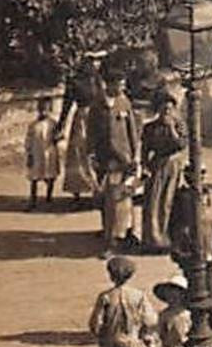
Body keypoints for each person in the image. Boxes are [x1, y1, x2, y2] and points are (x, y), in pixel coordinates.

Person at [90, 75, 140, 250]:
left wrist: (134, 154)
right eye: (118, 84)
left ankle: (127, 232)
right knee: (109, 199)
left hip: (125, 158)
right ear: (108, 84)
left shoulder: (124, 102)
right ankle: (109, 238)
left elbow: (131, 130)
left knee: (126, 195)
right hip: (106, 159)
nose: (121, 88)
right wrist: (91, 155)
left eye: (123, 84)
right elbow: (91, 132)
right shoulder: (98, 104)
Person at [56, 54, 104, 210]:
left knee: (95, 153)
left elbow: (104, 99)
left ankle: (98, 192)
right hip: (82, 118)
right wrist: (61, 125)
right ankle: (77, 192)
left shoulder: (97, 80)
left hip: (95, 118)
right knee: (78, 154)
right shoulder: (75, 82)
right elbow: (67, 105)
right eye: (91, 62)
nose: (94, 65)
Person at [139, 93, 186, 253]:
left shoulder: (179, 125)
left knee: (169, 202)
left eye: (170, 108)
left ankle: (169, 239)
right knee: (153, 202)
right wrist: (144, 166)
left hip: (173, 166)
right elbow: (145, 150)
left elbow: (181, 145)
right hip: (157, 166)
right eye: (163, 108)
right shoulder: (150, 128)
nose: (167, 111)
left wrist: (171, 128)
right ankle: (153, 240)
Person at [26, 97, 61, 210]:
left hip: (49, 152)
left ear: (49, 110)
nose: (43, 112)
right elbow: (29, 140)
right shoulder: (33, 125)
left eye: (45, 109)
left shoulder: (53, 124)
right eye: (41, 109)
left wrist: (58, 138)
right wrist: (29, 154)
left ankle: (49, 197)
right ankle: (33, 200)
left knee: (50, 175)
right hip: (37, 153)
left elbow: (59, 136)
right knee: (34, 177)